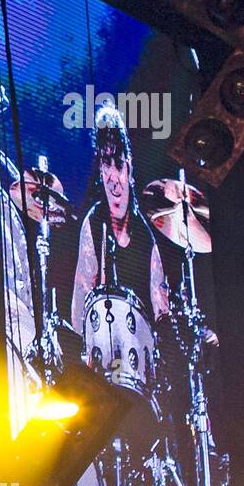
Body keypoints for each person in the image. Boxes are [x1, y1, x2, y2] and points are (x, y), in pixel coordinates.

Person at [71, 105, 168, 332]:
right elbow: (79, 313)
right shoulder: (93, 224)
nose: (113, 178)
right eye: (106, 164)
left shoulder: (147, 238)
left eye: (118, 164)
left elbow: (162, 314)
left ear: (129, 167)